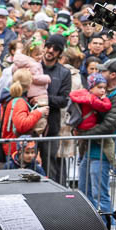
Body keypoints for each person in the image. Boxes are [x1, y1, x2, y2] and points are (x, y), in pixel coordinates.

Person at [76, 60, 116, 228]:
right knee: (84, 190)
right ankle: (92, 223)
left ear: (112, 75)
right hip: (92, 147)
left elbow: (109, 126)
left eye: (104, 72)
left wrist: (83, 134)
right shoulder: (106, 93)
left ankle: (112, 227)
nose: (100, 74)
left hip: (103, 150)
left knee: (100, 193)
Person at [38, 35, 72, 182]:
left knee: (49, 165)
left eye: (56, 49)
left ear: (60, 53)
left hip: (52, 126)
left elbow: (64, 100)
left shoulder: (64, 73)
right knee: (26, 161)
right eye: (49, 46)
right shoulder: (34, 67)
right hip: (31, 123)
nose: (51, 50)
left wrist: (44, 99)